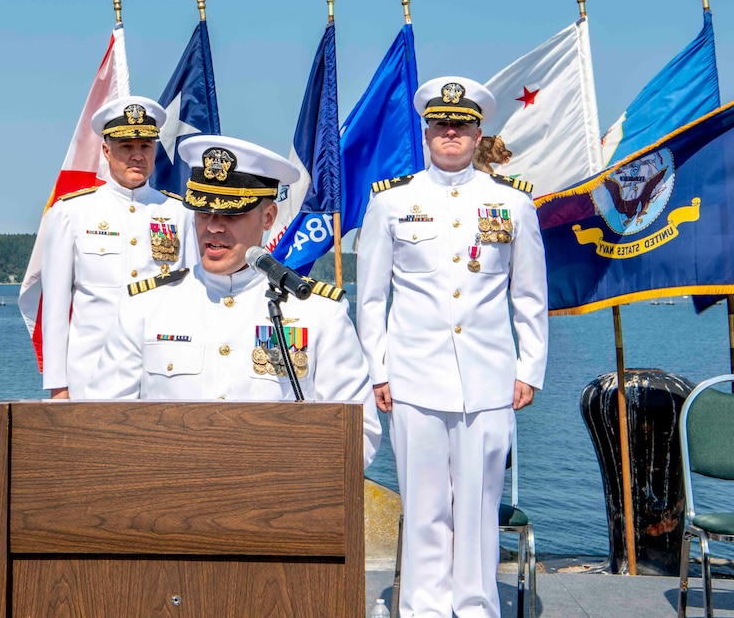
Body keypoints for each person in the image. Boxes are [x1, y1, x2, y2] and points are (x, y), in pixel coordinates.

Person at [357, 77, 548, 617]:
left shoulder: (511, 203)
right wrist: (379, 370)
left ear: (477, 131)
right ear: (426, 130)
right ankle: (422, 609)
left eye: (460, 124)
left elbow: (529, 294)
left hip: (488, 379)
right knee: (424, 506)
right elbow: (371, 299)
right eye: (440, 123)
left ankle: (476, 607)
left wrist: (529, 369)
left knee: (480, 507)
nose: (450, 132)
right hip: (413, 377)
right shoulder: (393, 202)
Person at [87, 135, 382, 470]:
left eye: (232, 214)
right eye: (203, 211)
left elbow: (360, 434)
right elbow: (101, 420)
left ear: (268, 216)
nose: (214, 227)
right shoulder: (145, 307)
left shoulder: (318, 312)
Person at [34, 95, 195, 399]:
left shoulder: (181, 214)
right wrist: (59, 386)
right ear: (107, 151)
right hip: (91, 376)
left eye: (145, 146)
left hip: (161, 373)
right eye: (126, 147)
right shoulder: (71, 213)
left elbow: (191, 296)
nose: (137, 155)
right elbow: (55, 307)